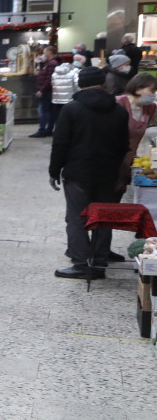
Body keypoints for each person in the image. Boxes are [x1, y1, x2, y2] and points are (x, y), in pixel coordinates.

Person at [51, 66, 130, 279]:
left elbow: (60, 144)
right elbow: (124, 145)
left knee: (76, 218)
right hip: (108, 173)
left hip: (78, 173)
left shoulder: (71, 109)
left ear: (80, 84)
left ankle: (81, 264)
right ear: (104, 84)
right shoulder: (120, 111)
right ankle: (99, 263)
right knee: (103, 217)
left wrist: (54, 170)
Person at [116, 72, 157, 197]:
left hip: (129, 161)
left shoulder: (150, 108)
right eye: (152, 90)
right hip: (112, 160)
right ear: (138, 89)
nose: (154, 95)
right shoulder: (118, 104)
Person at [31, 54, 59, 137]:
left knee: (44, 111)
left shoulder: (52, 63)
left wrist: (42, 90)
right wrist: (41, 63)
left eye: (44, 52)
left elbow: (49, 78)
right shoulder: (49, 63)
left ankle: (42, 130)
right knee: (49, 111)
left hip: (47, 91)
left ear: (49, 53)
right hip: (48, 91)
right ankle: (49, 129)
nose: (43, 55)